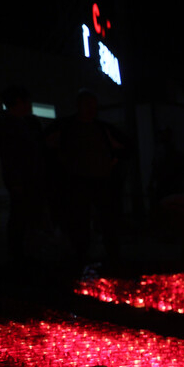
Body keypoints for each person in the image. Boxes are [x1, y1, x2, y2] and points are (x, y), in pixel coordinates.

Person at [44, 89, 131, 273]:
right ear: (79, 106)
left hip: (101, 180)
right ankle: (82, 253)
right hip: (77, 180)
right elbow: (47, 145)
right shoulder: (67, 127)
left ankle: (110, 254)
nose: (91, 109)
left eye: (93, 106)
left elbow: (125, 146)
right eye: (87, 105)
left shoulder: (101, 128)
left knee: (106, 218)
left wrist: (114, 160)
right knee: (80, 218)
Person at [0, 85, 47, 261]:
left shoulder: (18, 123)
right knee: (21, 215)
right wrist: (16, 181)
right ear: (18, 102)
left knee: (23, 215)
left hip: (25, 178)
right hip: (22, 179)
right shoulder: (8, 125)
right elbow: (12, 155)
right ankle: (20, 254)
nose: (29, 105)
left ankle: (24, 252)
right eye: (26, 101)